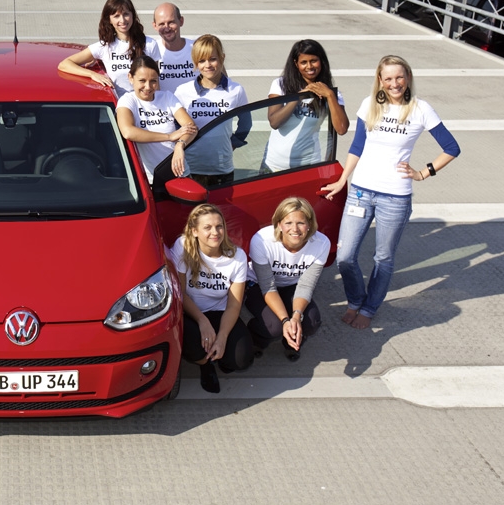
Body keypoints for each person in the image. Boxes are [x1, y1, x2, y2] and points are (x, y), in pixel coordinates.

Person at [322, 55, 460, 329]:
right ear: (380, 80)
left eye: (399, 77)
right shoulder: (369, 104)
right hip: (361, 192)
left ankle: (369, 308)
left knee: (383, 258)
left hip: (395, 197)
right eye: (388, 78)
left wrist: (422, 173)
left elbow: (451, 148)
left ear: (407, 77)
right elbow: (357, 147)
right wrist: (343, 180)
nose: (394, 83)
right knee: (345, 256)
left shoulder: (421, 109)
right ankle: (355, 299)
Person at [169, 203, 254, 394]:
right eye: (207, 227)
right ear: (195, 231)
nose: (215, 232)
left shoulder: (237, 256)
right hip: (190, 310)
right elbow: (180, 293)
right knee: (189, 342)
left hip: (220, 311)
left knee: (241, 359)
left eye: (219, 226)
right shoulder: (183, 246)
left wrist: (222, 337)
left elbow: (234, 305)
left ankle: (220, 353)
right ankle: (205, 364)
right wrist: (202, 321)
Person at [245, 197, 329, 361]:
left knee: (311, 322)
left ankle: (292, 342)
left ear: (309, 224)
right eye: (288, 223)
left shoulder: (321, 243)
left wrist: (296, 317)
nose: (295, 229)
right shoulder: (262, 241)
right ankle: (257, 340)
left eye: (301, 223)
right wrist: (285, 320)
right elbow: (268, 286)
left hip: (292, 285)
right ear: (278, 224)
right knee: (274, 326)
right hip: (259, 286)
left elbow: (306, 285)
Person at [173, 34, 251, 187]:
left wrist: (232, 145)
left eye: (212, 59)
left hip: (222, 169)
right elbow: (175, 125)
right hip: (189, 167)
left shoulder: (236, 90)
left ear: (222, 58)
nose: (207, 65)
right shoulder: (183, 91)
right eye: (202, 61)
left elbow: (246, 123)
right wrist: (180, 145)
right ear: (195, 62)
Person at [262, 39, 349, 173]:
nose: (309, 66)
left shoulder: (331, 93)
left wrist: (330, 95)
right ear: (296, 64)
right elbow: (274, 122)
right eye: (303, 62)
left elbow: (342, 129)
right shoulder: (280, 84)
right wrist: (299, 97)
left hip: (309, 166)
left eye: (314, 61)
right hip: (274, 166)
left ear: (321, 61)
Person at [57, 0, 159, 96]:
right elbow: (64, 64)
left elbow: (156, 81)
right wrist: (92, 74)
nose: (122, 20)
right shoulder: (103, 47)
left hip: (145, 103)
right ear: (109, 20)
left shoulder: (150, 44)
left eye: (126, 14)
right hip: (118, 104)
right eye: (116, 16)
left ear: (133, 15)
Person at [115, 55, 196, 183]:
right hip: (150, 180)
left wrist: (180, 145)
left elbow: (191, 127)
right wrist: (169, 136)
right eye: (142, 80)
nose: (148, 87)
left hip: (180, 174)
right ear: (130, 78)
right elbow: (128, 132)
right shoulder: (127, 101)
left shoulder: (167, 97)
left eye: (153, 81)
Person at [151, 2, 195, 94]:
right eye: (161, 24)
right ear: (155, 26)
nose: (167, 28)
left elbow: (221, 80)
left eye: (171, 22)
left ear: (181, 21)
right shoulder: (151, 51)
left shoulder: (197, 48)